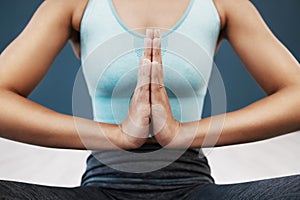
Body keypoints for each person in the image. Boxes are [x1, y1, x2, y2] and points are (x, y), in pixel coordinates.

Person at [0, 0, 299, 199]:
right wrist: (118, 134)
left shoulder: (222, 4)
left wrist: (183, 132)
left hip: (193, 187)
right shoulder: (76, 4)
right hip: (103, 187)